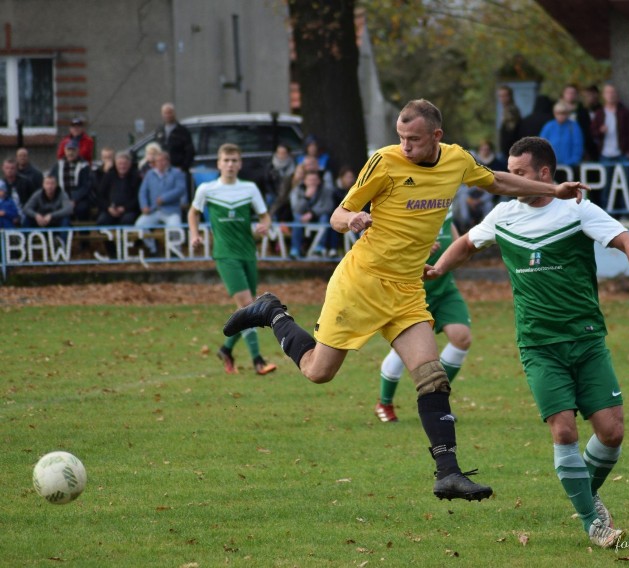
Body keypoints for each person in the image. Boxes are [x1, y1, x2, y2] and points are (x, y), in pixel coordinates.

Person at [221, 99, 588, 502]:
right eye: (400, 137)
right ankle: (272, 311)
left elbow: (498, 181)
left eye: (413, 139)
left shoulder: (457, 161)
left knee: (432, 377)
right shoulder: (384, 162)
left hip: (407, 289)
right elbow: (338, 215)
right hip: (361, 283)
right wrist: (355, 219)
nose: (405, 146)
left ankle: (448, 473)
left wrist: (553, 189)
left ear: (436, 137)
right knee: (318, 371)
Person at [423, 136, 629, 548]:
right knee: (565, 432)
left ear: (543, 174)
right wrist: (438, 269)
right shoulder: (504, 216)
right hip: (538, 344)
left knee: (612, 432)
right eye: (508, 172)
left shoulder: (576, 209)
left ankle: (584, 496)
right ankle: (594, 522)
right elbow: (466, 244)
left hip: (587, 337)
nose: (509, 181)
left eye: (517, 174)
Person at [374, 205, 471, 423]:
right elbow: (388, 252)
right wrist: (420, 253)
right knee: (405, 350)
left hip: (445, 289)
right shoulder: (404, 207)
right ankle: (384, 402)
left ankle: (437, 400)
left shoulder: (444, 202)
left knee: (461, 338)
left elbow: (451, 231)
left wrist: (457, 250)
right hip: (412, 293)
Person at [189, 143, 277, 376]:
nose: (229, 164)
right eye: (225, 160)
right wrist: (194, 234)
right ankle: (258, 361)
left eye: (234, 160)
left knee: (247, 309)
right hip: (225, 254)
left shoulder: (249, 188)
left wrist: (265, 226)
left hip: (248, 253)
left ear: (240, 164)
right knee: (249, 306)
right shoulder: (207, 189)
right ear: (218, 164)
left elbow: (265, 215)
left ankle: (226, 350)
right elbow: (193, 212)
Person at [590, 84, 629, 211]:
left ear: (617, 95)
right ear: (603, 96)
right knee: (606, 185)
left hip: (622, 154)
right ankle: (607, 212)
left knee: (626, 184)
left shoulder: (624, 112)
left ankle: (624, 212)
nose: (611, 95)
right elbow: (592, 133)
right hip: (605, 154)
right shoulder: (599, 113)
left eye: (613, 92)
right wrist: (600, 131)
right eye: (608, 92)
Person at [134, 150, 186, 254]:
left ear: (168, 161)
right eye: (157, 161)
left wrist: (164, 198)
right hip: (154, 210)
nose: (160, 163)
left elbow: (180, 189)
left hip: (171, 210)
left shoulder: (176, 173)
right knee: (139, 225)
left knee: (174, 227)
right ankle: (153, 248)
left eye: (163, 160)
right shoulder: (150, 174)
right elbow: (142, 192)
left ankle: (175, 251)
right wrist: (144, 206)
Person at [288, 170, 336, 258]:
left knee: (325, 217)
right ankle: (295, 249)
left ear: (319, 181)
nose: (312, 182)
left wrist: (312, 213)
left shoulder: (325, 190)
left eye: (314, 180)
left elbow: (328, 207)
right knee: (297, 218)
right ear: (304, 181)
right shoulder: (297, 190)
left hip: (318, 217)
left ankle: (319, 248)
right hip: (302, 217)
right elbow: (295, 209)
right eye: (310, 180)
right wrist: (306, 197)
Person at [154, 102, 196, 200]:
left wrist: (183, 167)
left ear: (174, 113)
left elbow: (190, 152)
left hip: (177, 169)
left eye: (170, 113)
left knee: (180, 196)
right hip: (162, 171)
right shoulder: (159, 130)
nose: (168, 115)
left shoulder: (182, 131)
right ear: (162, 114)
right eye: (165, 113)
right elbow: (155, 149)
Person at [49, 139, 94, 222]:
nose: (70, 153)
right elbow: (51, 181)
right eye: (68, 150)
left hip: (80, 199)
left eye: (73, 150)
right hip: (61, 197)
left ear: (78, 151)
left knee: (82, 209)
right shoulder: (58, 165)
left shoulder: (84, 166)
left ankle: (83, 233)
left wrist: (74, 199)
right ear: (65, 151)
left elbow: (86, 186)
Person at [96, 152, 140, 227]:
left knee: (127, 220)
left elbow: (137, 197)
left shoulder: (135, 177)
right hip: (110, 209)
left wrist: (124, 208)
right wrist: (108, 208)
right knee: (102, 221)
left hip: (129, 210)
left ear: (129, 164)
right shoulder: (109, 176)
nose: (122, 166)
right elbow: (100, 196)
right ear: (115, 164)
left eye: (125, 164)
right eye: (120, 163)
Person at [540, 100, 584, 169]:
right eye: (558, 113)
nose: (561, 115)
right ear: (554, 113)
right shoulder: (548, 126)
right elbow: (542, 145)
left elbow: (578, 145)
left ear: (567, 114)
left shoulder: (574, 126)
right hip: (551, 166)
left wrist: (572, 161)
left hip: (570, 166)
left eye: (563, 113)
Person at [561, 84, 597, 161]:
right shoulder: (557, 111)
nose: (570, 95)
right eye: (568, 93)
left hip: (580, 147)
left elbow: (587, 131)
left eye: (573, 93)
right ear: (563, 94)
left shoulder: (583, 111)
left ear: (576, 95)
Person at [266, 144, 297, 222]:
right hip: (275, 192)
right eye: (279, 152)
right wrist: (274, 193)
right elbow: (267, 182)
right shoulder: (271, 166)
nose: (281, 155)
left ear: (288, 154)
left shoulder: (294, 166)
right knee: (271, 198)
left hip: (289, 192)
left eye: (283, 153)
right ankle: (273, 220)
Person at [497, 85, 522, 159]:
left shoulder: (511, 110)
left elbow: (511, 133)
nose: (502, 98)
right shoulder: (505, 110)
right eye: (500, 96)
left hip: (510, 152)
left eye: (505, 96)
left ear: (510, 96)